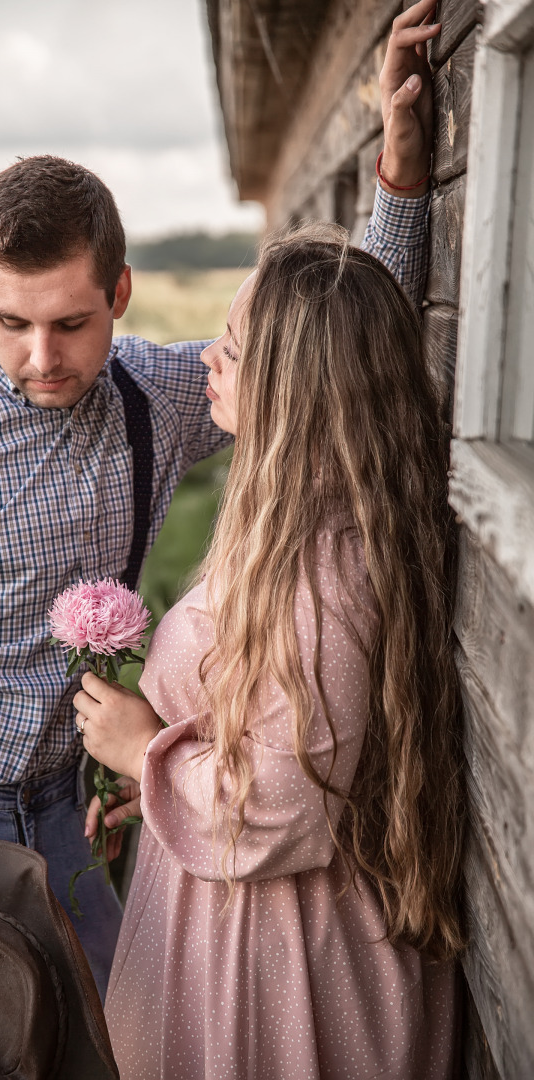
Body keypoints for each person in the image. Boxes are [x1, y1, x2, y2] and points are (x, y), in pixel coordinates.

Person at [0, 4, 437, 1076]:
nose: (42, 357)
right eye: (11, 323)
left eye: (71, 323)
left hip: (66, 805)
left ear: (120, 294)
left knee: (92, 1052)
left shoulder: (159, 395)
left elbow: (330, 351)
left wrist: (402, 179)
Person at [74, 178, 463, 1080]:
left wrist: (144, 756)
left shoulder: (320, 579)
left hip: (279, 965)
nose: (211, 356)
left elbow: (285, 809)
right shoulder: (295, 520)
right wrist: (168, 777)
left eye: (237, 350)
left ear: (293, 389)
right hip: (238, 929)